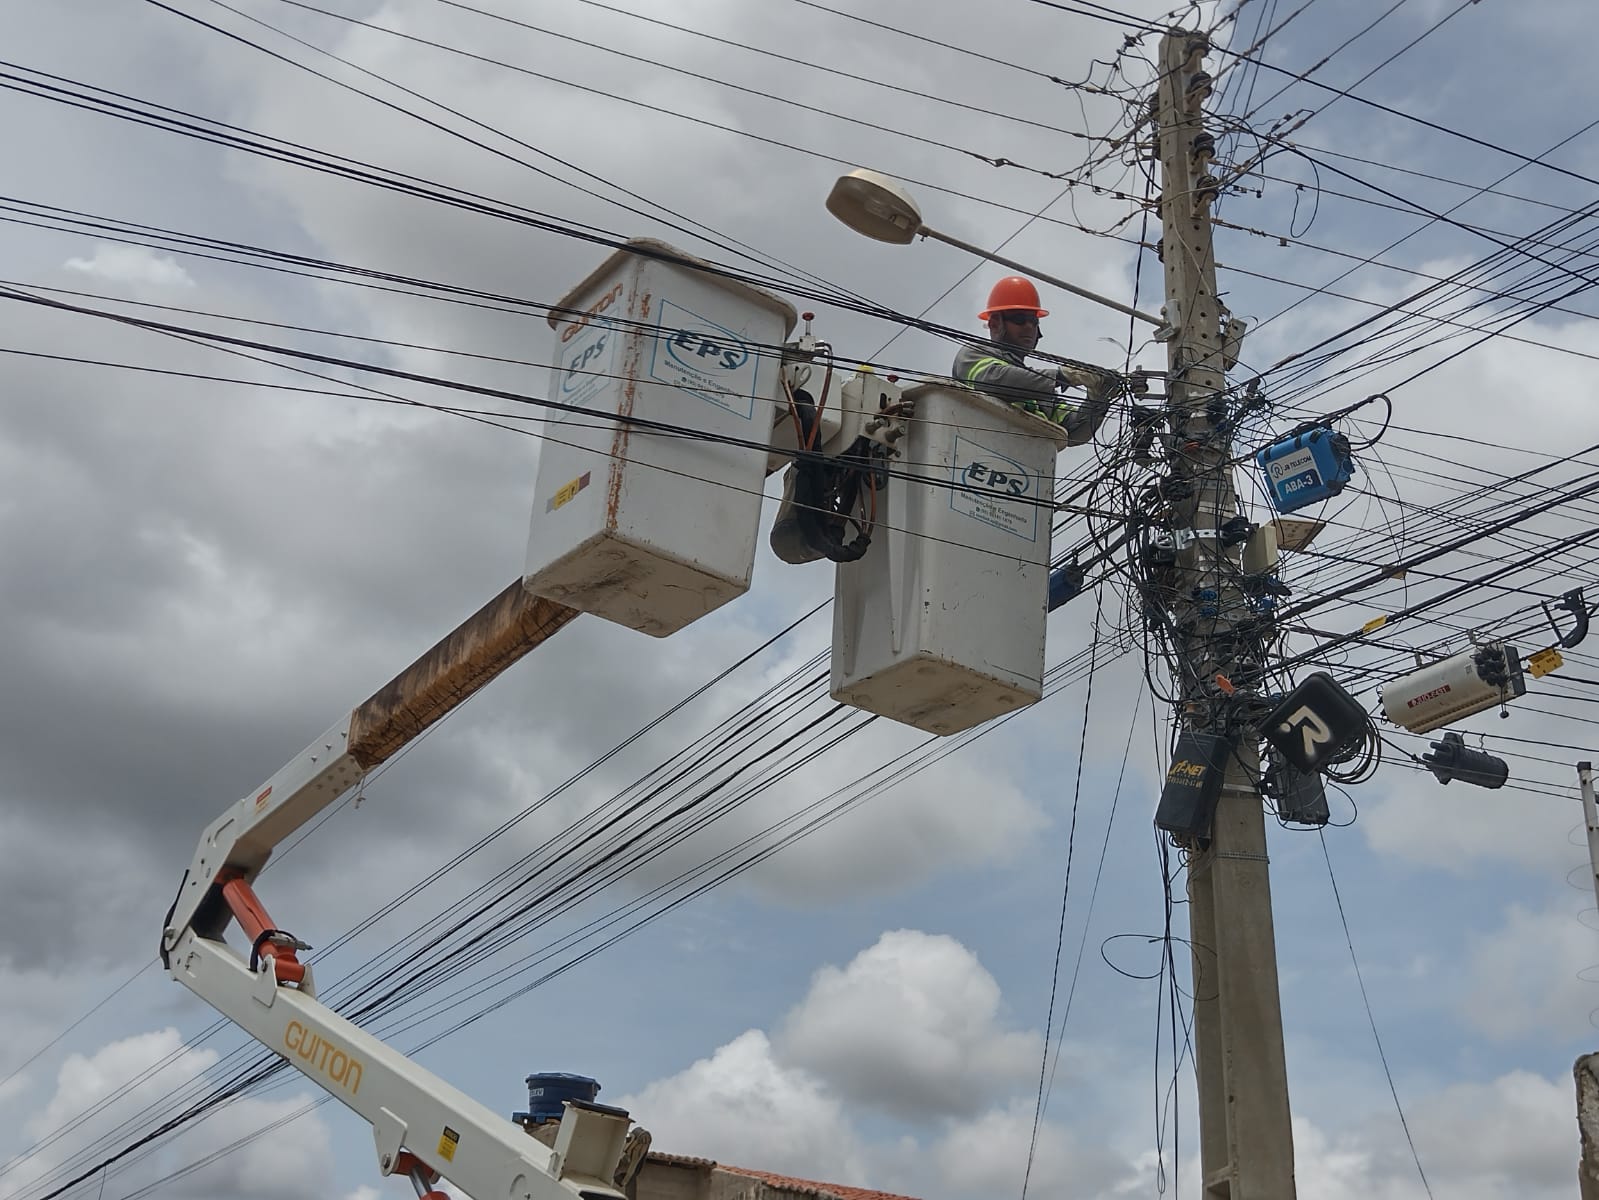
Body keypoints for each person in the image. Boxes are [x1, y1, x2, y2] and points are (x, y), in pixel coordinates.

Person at [952, 275, 1120, 446]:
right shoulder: (973, 354)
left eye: (1033, 321)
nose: (1029, 326)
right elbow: (995, 379)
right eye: (1019, 319)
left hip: (1025, 466)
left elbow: (1072, 431)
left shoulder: (1041, 391)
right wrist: (1063, 376)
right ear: (995, 324)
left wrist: (1098, 396)